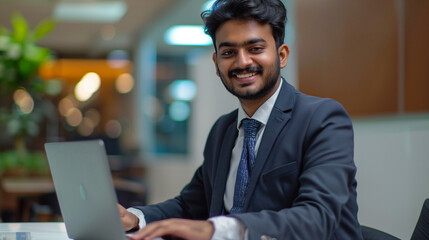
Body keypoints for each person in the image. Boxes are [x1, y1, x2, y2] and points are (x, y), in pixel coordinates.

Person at [119, 0, 363, 239]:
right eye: (228, 52)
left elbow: (317, 217)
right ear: (217, 64)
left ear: (282, 55)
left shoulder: (322, 119)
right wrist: (136, 217)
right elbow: (190, 205)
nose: (242, 62)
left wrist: (219, 229)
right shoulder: (223, 130)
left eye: (255, 49)